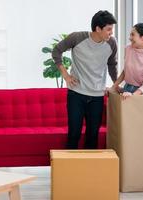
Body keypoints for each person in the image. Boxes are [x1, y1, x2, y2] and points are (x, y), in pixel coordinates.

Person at [52, 10, 118, 149]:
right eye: (108, 29)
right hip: (76, 94)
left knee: (92, 136)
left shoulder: (111, 43)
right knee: (74, 134)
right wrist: (66, 75)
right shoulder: (77, 38)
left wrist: (116, 84)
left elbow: (112, 65)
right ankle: (69, 170)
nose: (111, 33)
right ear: (98, 28)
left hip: (97, 96)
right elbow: (56, 51)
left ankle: (89, 170)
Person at [111, 20, 143, 100]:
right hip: (127, 88)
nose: (129, 38)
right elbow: (126, 71)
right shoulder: (128, 49)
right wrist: (114, 87)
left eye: (132, 35)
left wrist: (133, 95)